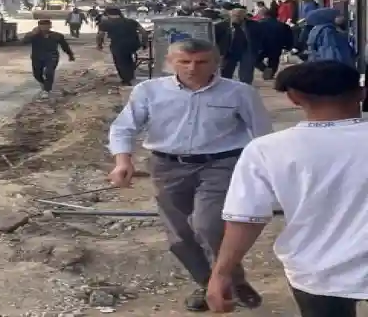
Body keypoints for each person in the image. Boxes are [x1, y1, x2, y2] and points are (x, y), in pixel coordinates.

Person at [108, 38, 272, 312]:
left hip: (222, 164)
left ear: (216, 63)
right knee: (180, 233)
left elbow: (263, 135)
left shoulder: (240, 93)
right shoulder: (148, 91)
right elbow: (124, 128)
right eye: (184, 61)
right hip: (167, 167)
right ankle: (208, 282)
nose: (192, 68)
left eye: (201, 62)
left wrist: (267, 175)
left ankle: (226, 280)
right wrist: (122, 160)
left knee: (210, 224)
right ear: (170, 63)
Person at [208, 61, 368, 316]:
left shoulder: (268, 150)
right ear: (362, 92)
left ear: (294, 98)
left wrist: (221, 273)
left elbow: (245, 220)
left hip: (315, 271)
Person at [23, 19, 75, 98]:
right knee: (37, 74)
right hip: (37, 57)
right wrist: (31, 33)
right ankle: (45, 85)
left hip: (51, 56)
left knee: (49, 72)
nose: (45, 27)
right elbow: (24, 42)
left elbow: (65, 46)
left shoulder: (57, 35)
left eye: (47, 25)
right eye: (42, 25)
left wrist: (70, 55)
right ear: (39, 26)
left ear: (50, 26)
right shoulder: (34, 35)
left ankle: (46, 90)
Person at [97, 7, 145, 86]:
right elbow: (143, 32)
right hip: (134, 44)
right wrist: (144, 43)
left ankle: (126, 79)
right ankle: (130, 77)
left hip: (118, 45)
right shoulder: (131, 21)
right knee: (128, 58)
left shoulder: (105, 23)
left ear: (107, 14)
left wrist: (99, 45)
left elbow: (100, 35)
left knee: (120, 62)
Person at [215, 8, 262, 84]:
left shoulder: (253, 25)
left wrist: (259, 48)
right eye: (234, 15)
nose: (236, 17)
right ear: (230, 15)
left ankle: (245, 86)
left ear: (244, 16)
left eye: (239, 16)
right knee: (226, 73)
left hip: (246, 50)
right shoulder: (220, 26)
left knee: (246, 74)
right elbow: (215, 41)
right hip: (229, 51)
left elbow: (260, 37)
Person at [253, 7, 293, 80]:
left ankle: (266, 70)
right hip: (277, 46)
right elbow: (289, 37)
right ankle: (270, 74)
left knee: (255, 59)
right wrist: (288, 46)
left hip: (263, 46)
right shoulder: (282, 25)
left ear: (264, 15)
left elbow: (255, 36)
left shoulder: (259, 24)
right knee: (274, 61)